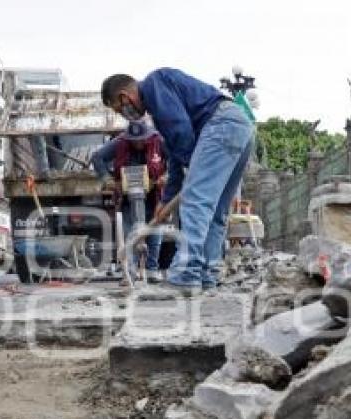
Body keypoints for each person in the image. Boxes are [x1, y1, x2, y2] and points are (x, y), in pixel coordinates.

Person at [101, 68, 255, 294]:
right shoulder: (160, 102)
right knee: (216, 211)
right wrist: (166, 199)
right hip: (240, 127)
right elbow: (174, 151)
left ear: (125, 97)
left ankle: (186, 274)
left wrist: (191, 175)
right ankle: (206, 275)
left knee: (196, 201)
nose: (125, 113)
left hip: (220, 125)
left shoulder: (154, 85)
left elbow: (182, 135)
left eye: (120, 108)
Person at [91, 121, 167, 283]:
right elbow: (97, 157)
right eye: (134, 140)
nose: (138, 143)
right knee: (128, 230)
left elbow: (176, 159)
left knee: (155, 229)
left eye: (141, 139)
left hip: (155, 196)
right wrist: (107, 179)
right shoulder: (119, 143)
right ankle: (130, 271)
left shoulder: (159, 141)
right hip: (127, 196)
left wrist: (166, 177)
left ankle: (152, 269)